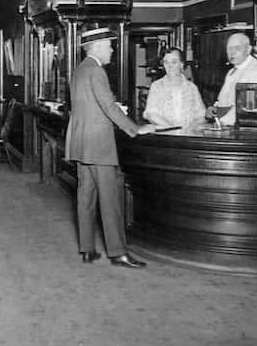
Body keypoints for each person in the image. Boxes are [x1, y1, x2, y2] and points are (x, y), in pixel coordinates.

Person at [65, 27, 155, 268]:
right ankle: (118, 253)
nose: (112, 50)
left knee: (86, 197)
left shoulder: (79, 70)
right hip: (99, 146)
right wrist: (135, 128)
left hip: (82, 144)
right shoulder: (97, 71)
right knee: (110, 199)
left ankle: (87, 249)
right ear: (96, 48)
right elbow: (109, 107)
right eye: (109, 46)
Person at [205, 32, 257, 126]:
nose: (232, 52)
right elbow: (223, 100)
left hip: (246, 128)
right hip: (228, 124)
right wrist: (214, 109)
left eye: (237, 48)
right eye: (229, 48)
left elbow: (248, 108)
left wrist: (221, 122)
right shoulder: (231, 72)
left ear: (248, 49)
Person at [143, 48, 206, 129]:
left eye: (174, 62)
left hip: (188, 136)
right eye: (166, 62)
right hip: (166, 137)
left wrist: (188, 129)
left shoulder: (192, 88)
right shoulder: (156, 86)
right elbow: (151, 114)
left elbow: (202, 116)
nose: (170, 66)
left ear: (181, 64)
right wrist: (173, 129)